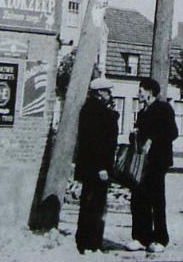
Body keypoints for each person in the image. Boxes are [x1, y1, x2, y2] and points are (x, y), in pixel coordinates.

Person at [126, 77, 179, 253]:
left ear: (150, 91)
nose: (138, 93)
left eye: (141, 90)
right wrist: (134, 135)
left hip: (157, 161)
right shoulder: (142, 112)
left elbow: (172, 132)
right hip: (141, 162)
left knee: (156, 200)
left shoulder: (164, 109)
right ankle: (141, 237)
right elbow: (138, 134)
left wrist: (152, 140)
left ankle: (160, 239)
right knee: (139, 199)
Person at [74, 77, 120, 255]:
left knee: (89, 203)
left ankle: (86, 241)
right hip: (97, 167)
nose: (110, 95)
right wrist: (101, 167)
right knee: (95, 205)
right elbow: (96, 143)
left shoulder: (90, 109)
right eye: (108, 91)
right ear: (100, 92)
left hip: (90, 167)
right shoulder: (97, 111)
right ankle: (90, 243)